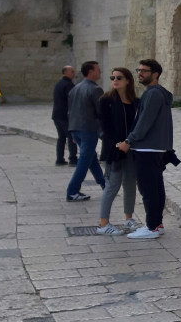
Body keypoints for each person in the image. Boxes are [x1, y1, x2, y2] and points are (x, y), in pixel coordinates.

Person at [117, 60, 173, 239]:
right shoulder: (158, 93)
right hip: (156, 148)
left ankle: (152, 226)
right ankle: (157, 224)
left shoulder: (153, 94)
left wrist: (129, 141)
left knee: (148, 188)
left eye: (144, 71)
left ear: (155, 74)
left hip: (148, 148)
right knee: (155, 187)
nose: (140, 74)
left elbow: (144, 122)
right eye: (139, 70)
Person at [96, 67, 140, 235]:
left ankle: (128, 218)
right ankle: (103, 223)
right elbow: (105, 127)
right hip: (113, 149)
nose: (115, 80)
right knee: (112, 184)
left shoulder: (135, 102)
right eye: (112, 77)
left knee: (130, 183)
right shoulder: (106, 100)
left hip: (130, 148)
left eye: (119, 77)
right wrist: (118, 144)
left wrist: (129, 143)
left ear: (127, 80)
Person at [66, 61, 106, 202]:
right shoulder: (95, 90)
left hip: (76, 129)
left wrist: (72, 132)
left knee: (91, 159)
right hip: (88, 129)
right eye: (98, 69)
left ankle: (104, 184)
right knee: (84, 160)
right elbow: (101, 113)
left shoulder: (75, 88)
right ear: (90, 72)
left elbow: (70, 111)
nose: (100, 72)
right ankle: (72, 191)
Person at [52, 65, 78, 165]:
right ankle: (73, 159)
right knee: (71, 137)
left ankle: (59, 159)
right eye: (71, 72)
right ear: (65, 73)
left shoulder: (59, 83)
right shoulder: (68, 85)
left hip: (57, 115)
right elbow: (73, 100)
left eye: (73, 71)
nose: (73, 73)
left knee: (61, 138)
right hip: (65, 116)